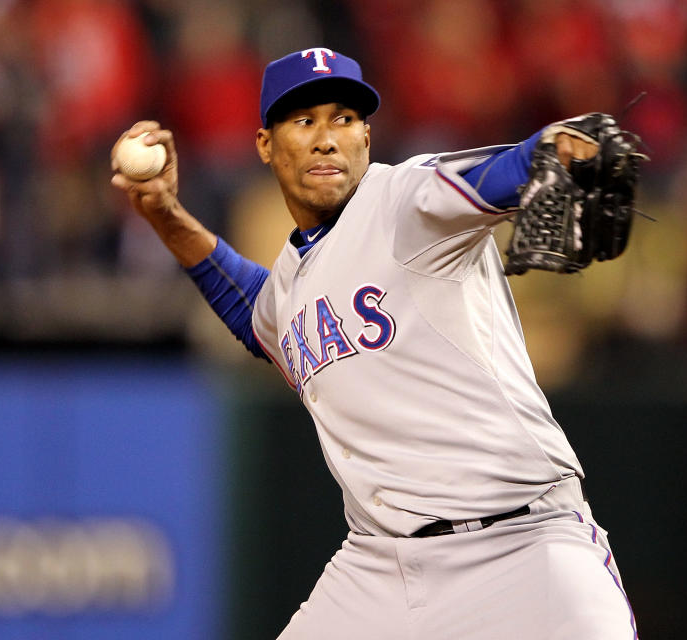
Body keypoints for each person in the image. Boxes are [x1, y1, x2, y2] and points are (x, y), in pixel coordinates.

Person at [111, 48, 638, 640]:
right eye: (303, 120)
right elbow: (254, 310)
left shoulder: (405, 200)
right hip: (380, 570)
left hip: (522, 547)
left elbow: (493, 174)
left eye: (343, 118)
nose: (326, 138)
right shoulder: (290, 281)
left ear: (367, 134)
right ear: (265, 143)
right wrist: (165, 214)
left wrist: (551, 148)